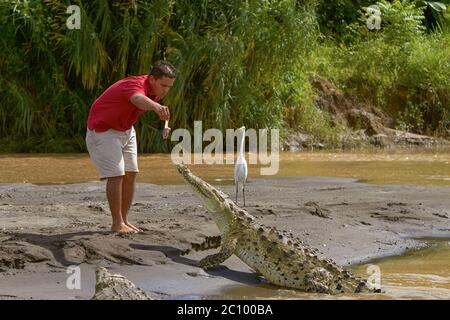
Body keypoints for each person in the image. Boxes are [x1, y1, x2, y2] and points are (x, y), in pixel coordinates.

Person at [86, 60, 176, 234]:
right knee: (116, 175)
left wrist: (164, 122)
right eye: (163, 85)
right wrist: (157, 107)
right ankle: (116, 223)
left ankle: (124, 220)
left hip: (126, 130)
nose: (166, 90)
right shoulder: (134, 84)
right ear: (152, 79)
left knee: (131, 173)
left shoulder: (155, 90)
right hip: (104, 131)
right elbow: (137, 99)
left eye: (169, 87)